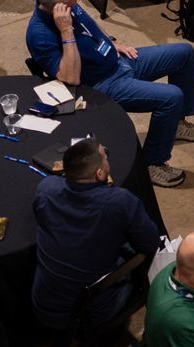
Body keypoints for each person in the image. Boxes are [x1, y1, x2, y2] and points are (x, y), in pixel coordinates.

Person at [27, 0, 194, 187]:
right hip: (100, 84)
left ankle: (177, 123)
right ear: (59, 5)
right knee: (171, 97)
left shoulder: (67, 6)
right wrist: (66, 30)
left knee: (183, 53)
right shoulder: (39, 34)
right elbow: (70, 78)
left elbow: (89, 25)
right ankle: (152, 163)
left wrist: (111, 42)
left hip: (117, 62)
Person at [32, 137, 163, 334]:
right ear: (100, 174)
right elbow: (150, 243)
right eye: (105, 156)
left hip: (43, 304)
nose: (107, 156)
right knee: (137, 253)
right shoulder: (119, 202)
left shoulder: (46, 189)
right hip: (90, 312)